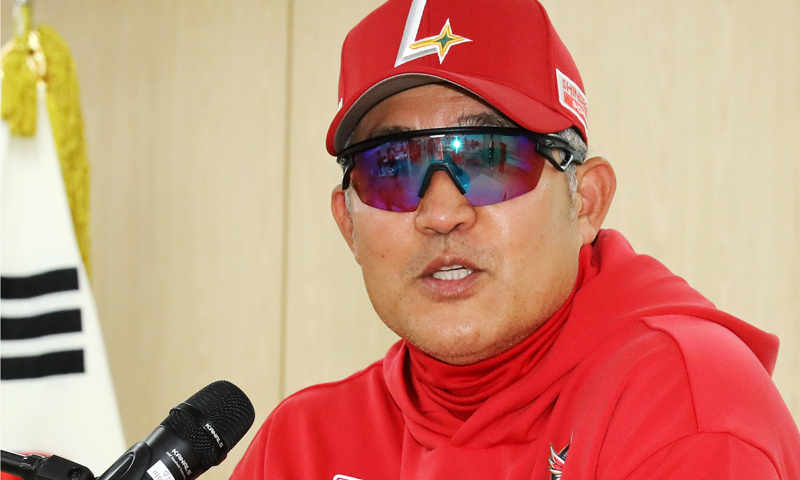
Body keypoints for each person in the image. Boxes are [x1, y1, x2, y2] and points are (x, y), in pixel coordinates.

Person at [231, 0, 800, 478]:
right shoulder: (303, 447)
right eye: (394, 168)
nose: (442, 213)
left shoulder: (685, 410)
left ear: (586, 201)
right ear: (348, 224)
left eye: (490, 159)